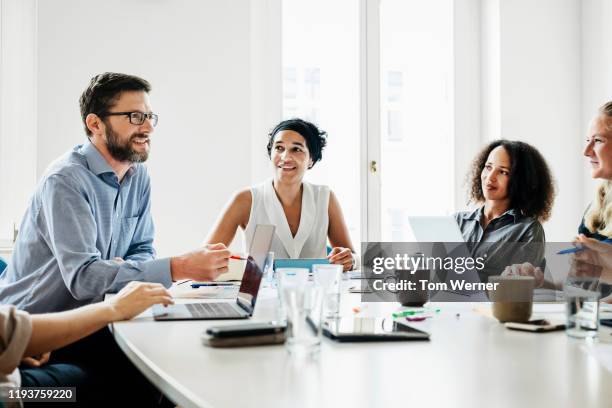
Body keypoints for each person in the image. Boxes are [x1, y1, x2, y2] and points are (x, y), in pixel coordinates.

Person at [0, 72, 230, 313]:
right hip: (36, 324)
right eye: (135, 117)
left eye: (149, 116)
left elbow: (143, 249)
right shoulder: (65, 180)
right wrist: (178, 267)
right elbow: (84, 278)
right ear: (95, 124)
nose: (149, 127)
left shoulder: (137, 174)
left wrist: (112, 268)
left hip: (98, 314)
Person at [207, 118, 355, 271]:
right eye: (279, 148)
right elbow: (205, 257)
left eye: (296, 149)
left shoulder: (325, 198)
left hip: (316, 292)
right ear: (271, 154)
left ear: (311, 159)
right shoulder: (245, 200)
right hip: (261, 293)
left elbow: (351, 256)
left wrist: (349, 260)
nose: (285, 157)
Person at [0, 281, 172, 406]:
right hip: (15, 394)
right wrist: (115, 308)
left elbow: (8, 332)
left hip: (11, 360)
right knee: (113, 382)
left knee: (113, 344)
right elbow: (10, 331)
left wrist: (21, 346)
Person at [454, 140, 555, 281]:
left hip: (493, 303)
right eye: (488, 167)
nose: (490, 177)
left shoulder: (528, 230)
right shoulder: (457, 221)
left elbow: (518, 288)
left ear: (520, 180)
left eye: (503, 172)